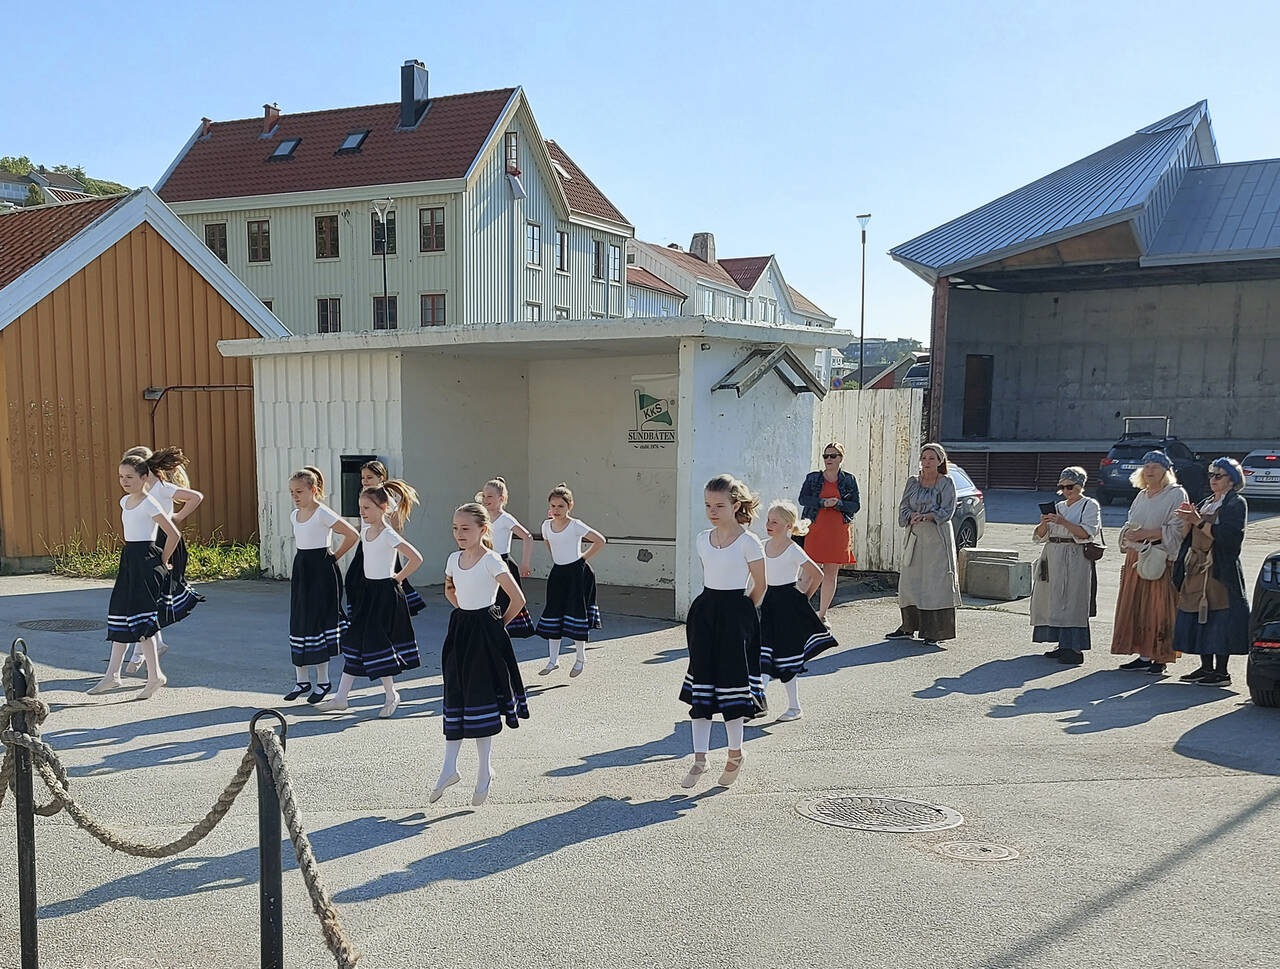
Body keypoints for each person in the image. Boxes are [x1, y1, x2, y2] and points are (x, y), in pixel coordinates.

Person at [431, 502, 531, 807]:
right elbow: (450, 588)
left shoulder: (491, 561)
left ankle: (484, 768)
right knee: (456, 692)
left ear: (482, 530)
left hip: (485, 631)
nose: (459, 534)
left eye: (466, 528)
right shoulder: (453, 559)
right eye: (455, 528)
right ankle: (450, 767)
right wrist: (461, 609)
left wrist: (497, 623)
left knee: (480, 696)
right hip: (460, 629)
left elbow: (517, 598)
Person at [680, 474, 768, 789]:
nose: (712, 511)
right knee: (702, 685)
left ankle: (735, 754)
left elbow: (760, 584)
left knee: (732, 687)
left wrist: (743, 615)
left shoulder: (749, 541)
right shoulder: (703, 539)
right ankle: (699, 758)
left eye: (719, 505)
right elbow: (709, 577)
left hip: (736, 615)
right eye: (708, 505)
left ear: (736, 505)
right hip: (704, 614)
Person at [319, 482, 423, 717]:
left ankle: (391, 695)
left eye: (367, 507)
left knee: (377, 644)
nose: (363, 512)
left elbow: (416, 558)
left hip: (385, 596)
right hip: (368, 594)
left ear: (383, 507)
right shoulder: (365, 532)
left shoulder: (388, 534)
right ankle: (341, 697)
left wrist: (398, 578)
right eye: (360, 507)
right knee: (355, 642)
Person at [90, 454, 184, 698]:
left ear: (144, 477)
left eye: (130, 477)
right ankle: (112, 675)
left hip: (145, 562)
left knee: (142, 621)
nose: (124, 481)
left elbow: (173, 534)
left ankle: (155, 676)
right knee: (120, 615)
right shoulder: (124, 502)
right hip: (129, 560)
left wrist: (163, 560)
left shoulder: (150, 503)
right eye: (121, 477)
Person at [120, 446, 205, 676]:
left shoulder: (161, 487)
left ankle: (143, 650)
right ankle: (153, 644)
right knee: (148, 598)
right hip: (148, 541)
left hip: (163, 541)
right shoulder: (142, 490)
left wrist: (176, 517)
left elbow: (196, 496)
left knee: (148, 598)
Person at [1173, 457, 1250, 686]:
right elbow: (1189, 535)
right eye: (1211, 475)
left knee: (1219, 617)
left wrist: (1197, 521)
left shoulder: (1236, 503)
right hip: (1197, 568)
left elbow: (1230, 538)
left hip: (1218, 569)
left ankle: (1221, 672)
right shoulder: (1207, 501)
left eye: (1219, 476)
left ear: (1232, 480)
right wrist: (1187, 520)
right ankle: (1205, 668)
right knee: (1197, 616)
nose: (1213, 480)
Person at [285, 467, 359, 703]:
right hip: (302, 568)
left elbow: (351, 534)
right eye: (292, 492)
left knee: (317, 620)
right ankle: (301, 680)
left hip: (321, 569)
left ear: (313, 490)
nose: (295, 496)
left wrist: (334, 557)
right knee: (299, 618)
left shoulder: (322, 513)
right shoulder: (294, 515)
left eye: (299, 491)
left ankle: (324, 681)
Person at [1111, 451, 1189, 675]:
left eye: (1155, 466)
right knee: (1137, 606)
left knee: (1158, 607)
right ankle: (1143, 654)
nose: (1150, 470)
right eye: (1146, 466)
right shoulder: (1142, 495)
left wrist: (1147, 533)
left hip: (1159, 555)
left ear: (1166, 470)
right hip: (1137, 554)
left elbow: (1177, 529)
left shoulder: (1176, 494)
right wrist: (1130, 534)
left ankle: (1160, 656)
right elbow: (1131, 520)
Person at [759, 500, 836, 721]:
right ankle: (773, 703)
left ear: (788, 526)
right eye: (768, 520)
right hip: (769, 603)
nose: (769, 524)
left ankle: (774, 703)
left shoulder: (793, 549)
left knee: (784, 657)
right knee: (767, 654)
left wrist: (803, 598)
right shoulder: (762, 546)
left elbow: (817, 574)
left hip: (788, 605)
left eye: (775, 521)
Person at [888, 443, 960, 647]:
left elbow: (948, 510)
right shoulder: (913, 482)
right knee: (910, 581)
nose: (927, 462)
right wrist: (911, 516)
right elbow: (903, 507)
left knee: (934, 583)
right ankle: (908, 626)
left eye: (931, 458)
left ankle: (935, 631)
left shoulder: (946, 482)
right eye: (924, 457)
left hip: (937, 537)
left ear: (940, 461)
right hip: (915, 535)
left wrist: (928, 515)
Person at [1030, 467, 1103, 665]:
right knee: (1052, 599)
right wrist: (1045, 522)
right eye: (1062, 487)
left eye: (1070, 486)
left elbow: (1087, 533)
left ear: (1080, 485)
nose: (1065, 490)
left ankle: (1074, 648)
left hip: (1074, 556)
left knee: (1072, 600)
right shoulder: (1059, 505)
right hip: (1052, 554)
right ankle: (1061, 644)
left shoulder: (1090, 505)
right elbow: (1039, 536)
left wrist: (1063, 521)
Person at [535, 484, 606, 677]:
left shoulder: (576, 525)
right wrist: (558, 562)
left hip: (577, 573)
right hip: (558, 573)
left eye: (561, 506)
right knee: (554, 612)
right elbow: (549, 544)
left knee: (576, 613)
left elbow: (600, 540)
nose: (556, 510)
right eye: (553, 506)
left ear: (570, 506)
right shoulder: (546, 525)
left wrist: (582, 558)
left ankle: (580, 658)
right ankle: (552, 660)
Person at [346, 461, 425, 618]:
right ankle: (361, 610)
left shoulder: (385, 499)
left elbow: (396, 525)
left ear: (381, 478)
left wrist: (394, 543)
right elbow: (361, 524)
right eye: (363, 478)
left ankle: (396, 605)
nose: (365, 481)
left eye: (369, 477)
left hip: (382, 546)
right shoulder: (364, 496)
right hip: (366, 543)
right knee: (353, 579)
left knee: (386, 580)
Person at [798, 441, 860, 622]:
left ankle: (823, 614)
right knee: (809, 571)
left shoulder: (849, 480)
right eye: (826, 456)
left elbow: (855, 505)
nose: (829, 459)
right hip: (815, 528)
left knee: (831, 573)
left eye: (833, 456)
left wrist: (838, 504)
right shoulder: (813, 478)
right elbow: (803, 499)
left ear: (841, 458)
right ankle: (798, 609)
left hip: (838, 530)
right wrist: (822, 503)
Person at [478, 477, 536, 637]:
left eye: (490, 496)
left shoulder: (505, 518)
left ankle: (505, 627)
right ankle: (489, 627)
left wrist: (525, 563)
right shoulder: (482, 518)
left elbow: (527, 536)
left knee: (505, 599)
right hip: (485, 561)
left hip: (502, 562)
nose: (485, 499)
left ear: (501, 499)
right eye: (484, 495)